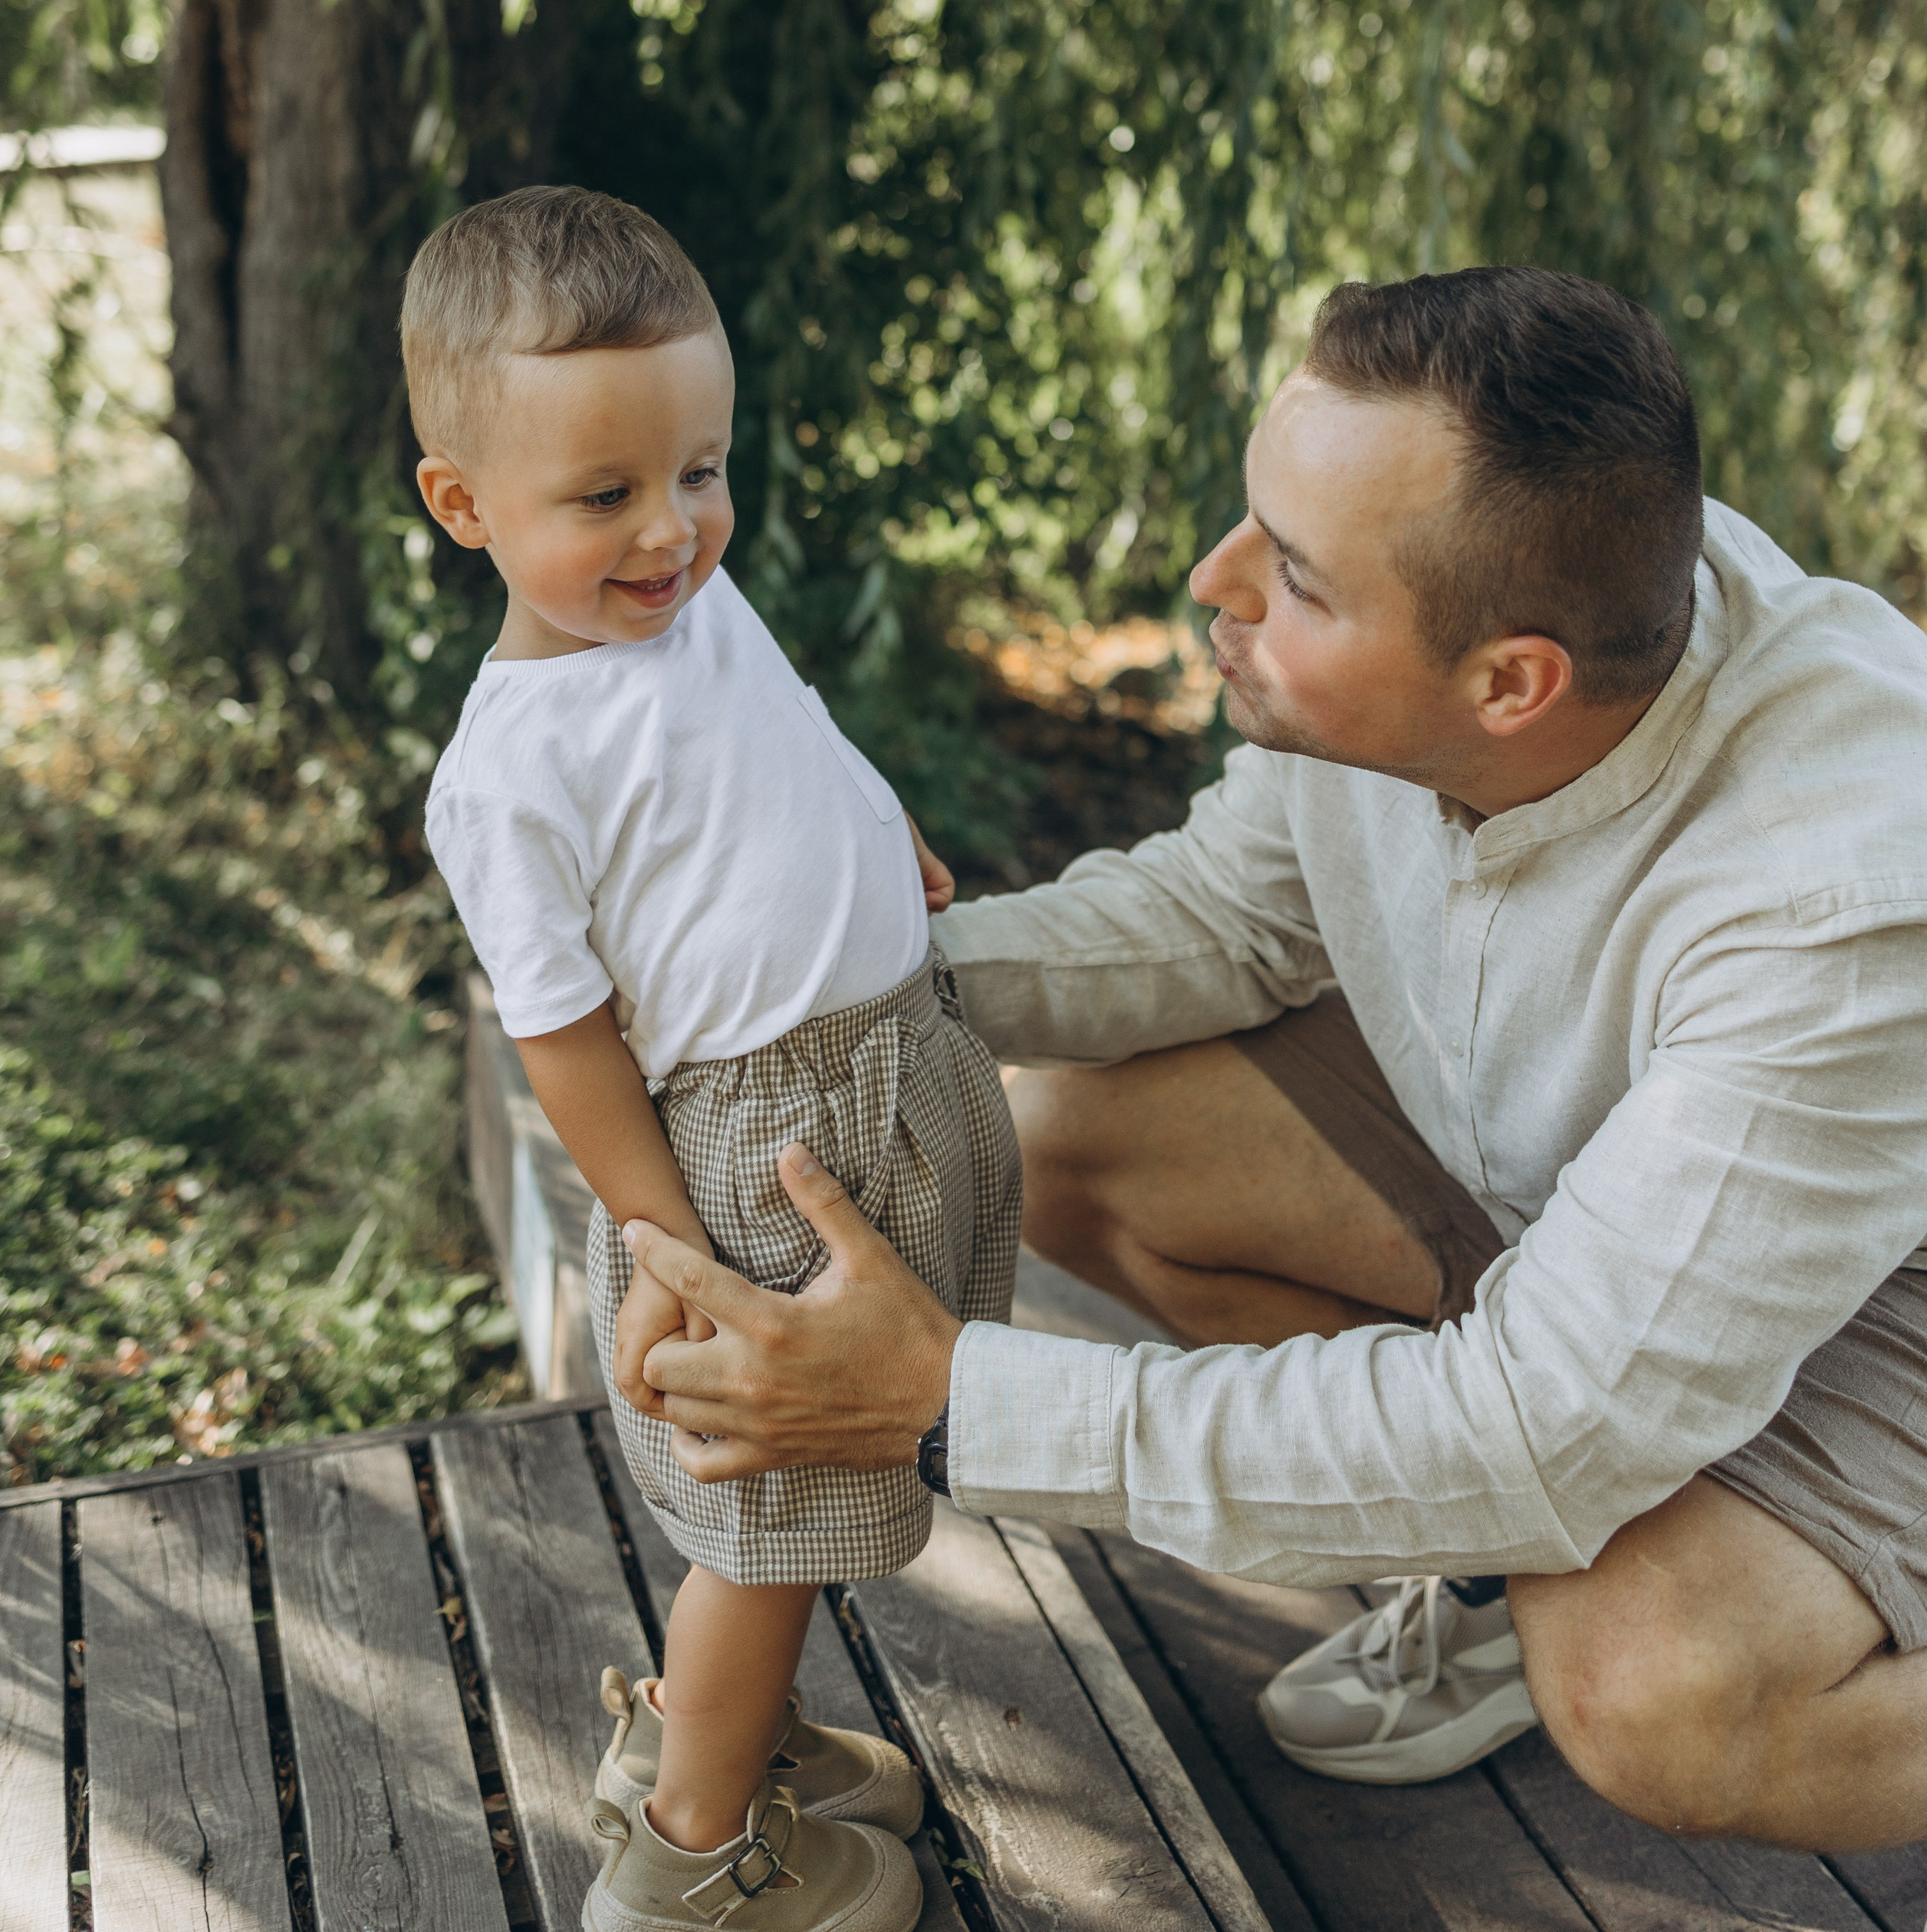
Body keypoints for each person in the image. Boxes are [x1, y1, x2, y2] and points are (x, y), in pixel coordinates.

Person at [621, 266, 1927, 1855]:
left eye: (1292, 580)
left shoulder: (1838, 904)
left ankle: (1549, 1561)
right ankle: (1478, 1564)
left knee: (1659, 1689)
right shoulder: (1530, 598)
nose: (1211, 579)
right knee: (1087, 1142)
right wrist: (789, 989)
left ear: (1509, 684)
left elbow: (1545, 1422)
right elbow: (1224, 921)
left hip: (1888, 1303)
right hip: (1608, 1209)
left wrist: (946, 1401)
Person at [404, 187, 1020, 1932]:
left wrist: (868, 827)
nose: (672, 530)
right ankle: (691, 1854)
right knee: (765, 1525)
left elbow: (780, 730)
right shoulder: (512, 767)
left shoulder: (678, 604)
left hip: (880, 1081)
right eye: (603, 496)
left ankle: (721, 1739)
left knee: (822, 1484)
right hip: (760, 1160)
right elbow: (566, 1035)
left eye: (700, 469)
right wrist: (662, 1241)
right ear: (464, 504)